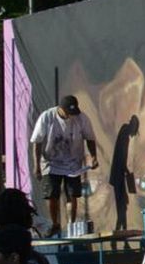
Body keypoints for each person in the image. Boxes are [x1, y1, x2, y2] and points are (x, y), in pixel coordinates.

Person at [30, 94, 98, 232]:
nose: (70, 116)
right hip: (51, 162)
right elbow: (37, 142)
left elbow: (90, 138)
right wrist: (37, 166)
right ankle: (55, 224)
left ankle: (71, 224)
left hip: (72, 163)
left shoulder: (82, 119)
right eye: (68, 112)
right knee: (52, 194)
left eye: (73, 113)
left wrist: (94, 156)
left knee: (72, 194)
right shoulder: (47, 117)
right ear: (60, 109)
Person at [109, 115, 140, 232]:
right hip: (119, 173)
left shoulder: (127, 134)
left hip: (122, 173)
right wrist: (127, 171)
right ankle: (120, 227)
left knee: (123, 202)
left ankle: (121, 226)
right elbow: (121, 155)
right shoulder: (125, 131)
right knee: (121, 202)